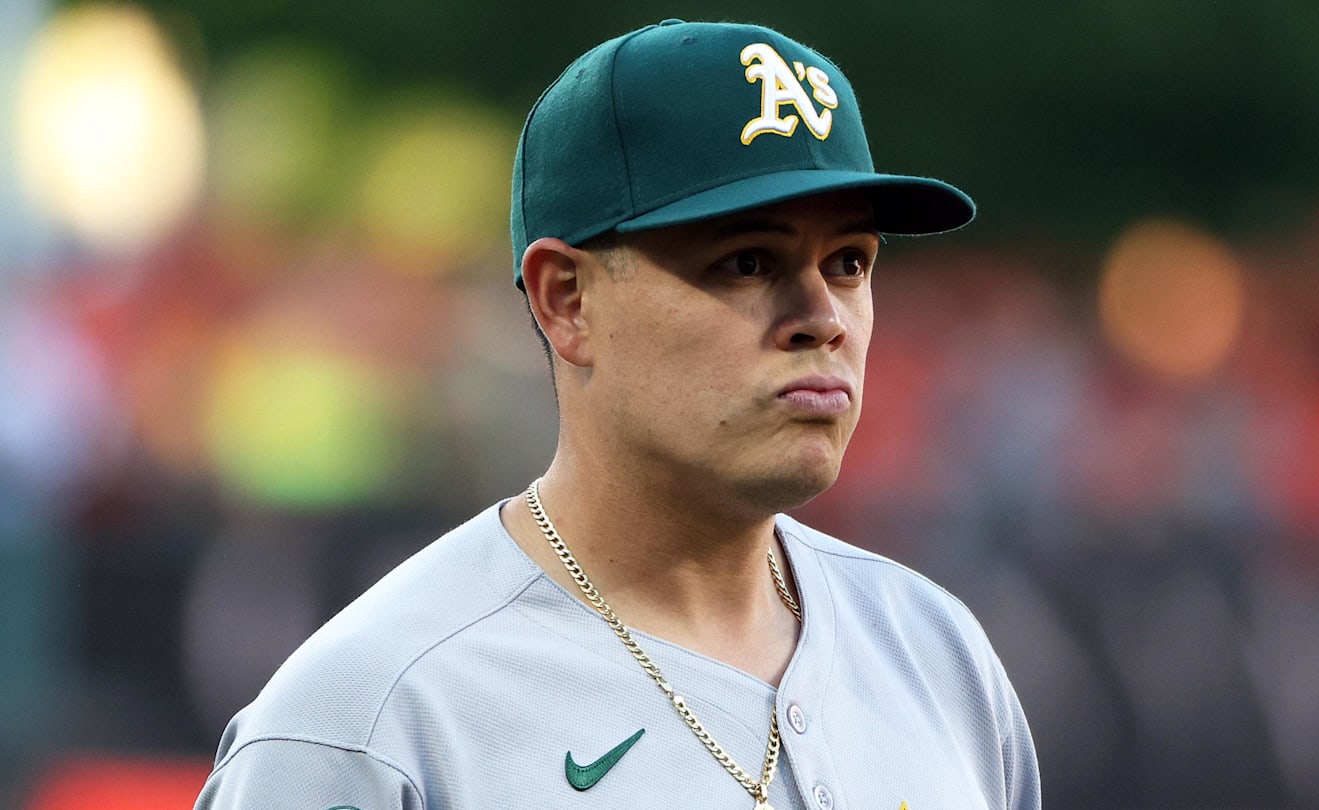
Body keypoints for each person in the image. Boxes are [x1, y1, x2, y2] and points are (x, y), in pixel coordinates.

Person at [195, 19, 1040, 810]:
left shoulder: (938, 651)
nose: (822, 315)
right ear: (567, 300)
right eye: (748, 261)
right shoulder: (370, 720)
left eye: (849, 261)